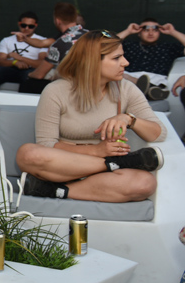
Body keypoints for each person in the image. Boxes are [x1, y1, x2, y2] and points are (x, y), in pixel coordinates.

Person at [16, 30, 167, 202]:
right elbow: (46, 145)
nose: (126, 62)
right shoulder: (56, 91)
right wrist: (96, 151)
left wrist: (128, 119)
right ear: (92, 61)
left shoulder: (126, 89)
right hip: (65, 167)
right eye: (117, 58)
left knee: (144, 183)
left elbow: (158, 133)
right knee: (28, 154)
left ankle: (55, 191)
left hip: (102, 175)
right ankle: (119, 163)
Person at [19, 2, 84, 95]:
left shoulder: (59, 43)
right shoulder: (89, 36)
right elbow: (42, 43)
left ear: (57, 21)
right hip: (92, 84)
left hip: (72, 88)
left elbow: (39, 74)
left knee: (28, 84)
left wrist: (29, 75)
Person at [116, 19, 185, 100]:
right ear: (139, 33)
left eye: (155, 30)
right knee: (120, 75)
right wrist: (128, 31)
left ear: (159, 33)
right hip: (129, 78)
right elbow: (107, 45)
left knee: (153, 84)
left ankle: (149, 89)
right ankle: (149, 90)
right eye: (146, 30)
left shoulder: (169, 48)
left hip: (156, 80)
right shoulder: (129, 45)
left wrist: (173, 32)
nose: (151, 33)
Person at [0, 11, 49, 90]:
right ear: (19, 24)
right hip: (10, 68)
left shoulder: (42, 41)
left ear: (35, 26)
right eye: (23, 25)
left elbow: (41, 64)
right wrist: (15, 62)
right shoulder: (6, 40)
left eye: (31, 26)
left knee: (30, 77)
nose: (26, 28)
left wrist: (21, 58)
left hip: (29, 70)